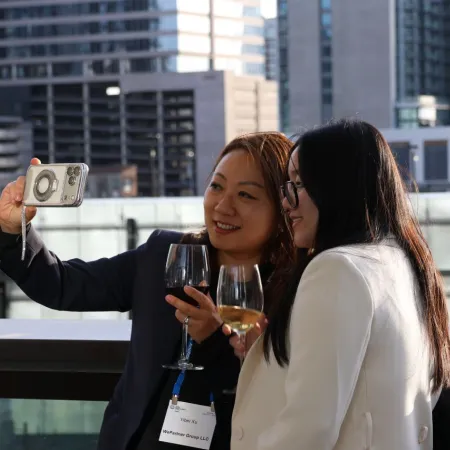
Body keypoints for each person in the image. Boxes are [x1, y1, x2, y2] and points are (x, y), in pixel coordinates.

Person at [0, 131, 295, 450]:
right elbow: (62, 285)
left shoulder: (293, 295)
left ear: (282, 209)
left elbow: (278, 408)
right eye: (217, 186)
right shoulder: (164, 256)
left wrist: (216, 340)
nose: (223, 206)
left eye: (246, 195)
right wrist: (13, 231)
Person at [229, 119, 450, 450]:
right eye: (286, 186)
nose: (287, 202)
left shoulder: (337, 269)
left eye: (299, 185)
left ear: (337, 187)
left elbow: (309, 429)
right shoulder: (404, 263)